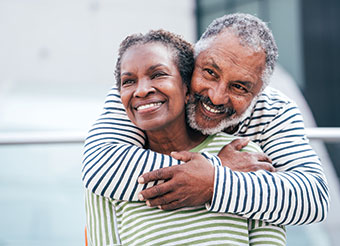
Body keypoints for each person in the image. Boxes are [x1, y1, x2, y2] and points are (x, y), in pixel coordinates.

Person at [82, 13, 329, 226]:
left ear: (259, 93)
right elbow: (101, 165)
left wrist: (213, 183)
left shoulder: (275, 110)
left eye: (239, 87)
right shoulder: (147, 90)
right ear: (193, 60)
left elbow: (313, 198)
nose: (217, 96)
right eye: (210, 72)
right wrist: (216, 168)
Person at [85, 29, 286, 246]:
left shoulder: (246, 157)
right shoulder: (107, 179)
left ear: (187, 87)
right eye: (128, 81)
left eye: (158, 74)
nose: (141, 90)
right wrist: (217, 167)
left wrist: (214, 178)